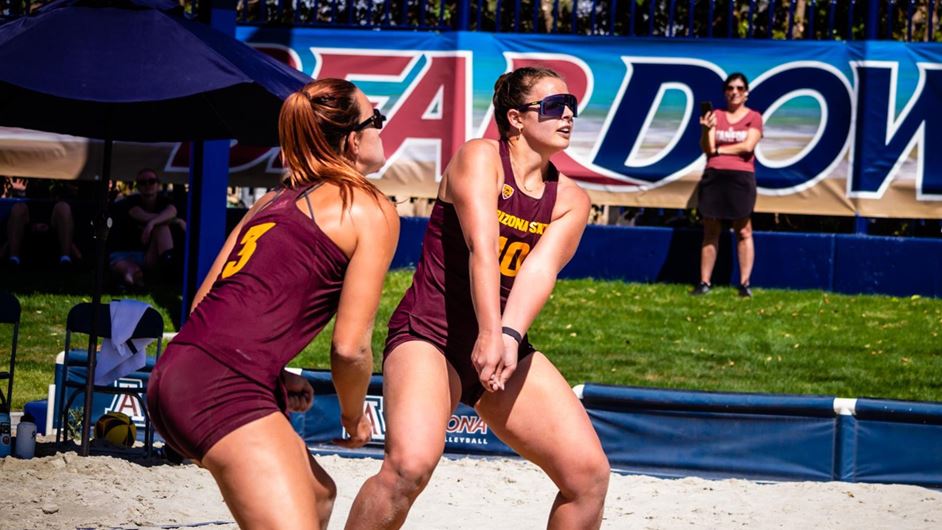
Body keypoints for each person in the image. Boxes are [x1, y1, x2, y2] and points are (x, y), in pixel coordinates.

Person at [346, 67, 610, 529]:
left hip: (501, 342)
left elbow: (539, 271)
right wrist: (490, 332)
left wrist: (507, 336)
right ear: (515, 118)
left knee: (588, 477)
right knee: (408, 469)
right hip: (431, 335)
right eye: (552, 106)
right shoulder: (480, 157)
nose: (567, 114)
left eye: (571, 106)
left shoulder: (571, 198)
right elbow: (481, 248)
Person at [146, 78, 399, 530]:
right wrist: (353, 416)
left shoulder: (268, 203)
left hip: (177, 370)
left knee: (319, 495)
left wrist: (273, 371)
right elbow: (350, 348)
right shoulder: (368, 208)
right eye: (376, 119)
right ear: (352, 139)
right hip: (220, 387)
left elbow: (205, 307)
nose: (383, 126)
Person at [692, 72, 763, 298]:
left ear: (746, 93)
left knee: (743, 230)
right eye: (731, 88)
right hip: (714, 175)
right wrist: (705, 128)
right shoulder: (716, 116)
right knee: (711, 229)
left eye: (740, 88)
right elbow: (707, 147)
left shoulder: (754, 117)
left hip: (741, 178)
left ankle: (744, 284)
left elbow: (748, 146)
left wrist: (720, 150)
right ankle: (704, 282)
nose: (735, 92)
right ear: (725, 92)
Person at [108, 169, 183, 287]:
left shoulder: (164, 201)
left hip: (146, 255)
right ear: (138, 186)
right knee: (132, 275)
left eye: (151, 181)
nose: (148, 185)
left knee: (162, 228)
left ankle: (169, 272)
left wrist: (152, 224)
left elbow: (172, 211)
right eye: (143, 182)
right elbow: (141, 215)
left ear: (158, 185)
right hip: (123, 254)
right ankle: (131, 282)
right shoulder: (130, 202)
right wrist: (171, 220)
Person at [2, 176, 85, 268]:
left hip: (52, 215)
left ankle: (66, 259)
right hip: (29, 214)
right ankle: (13, 259)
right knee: (18, 208)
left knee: (63, 207)